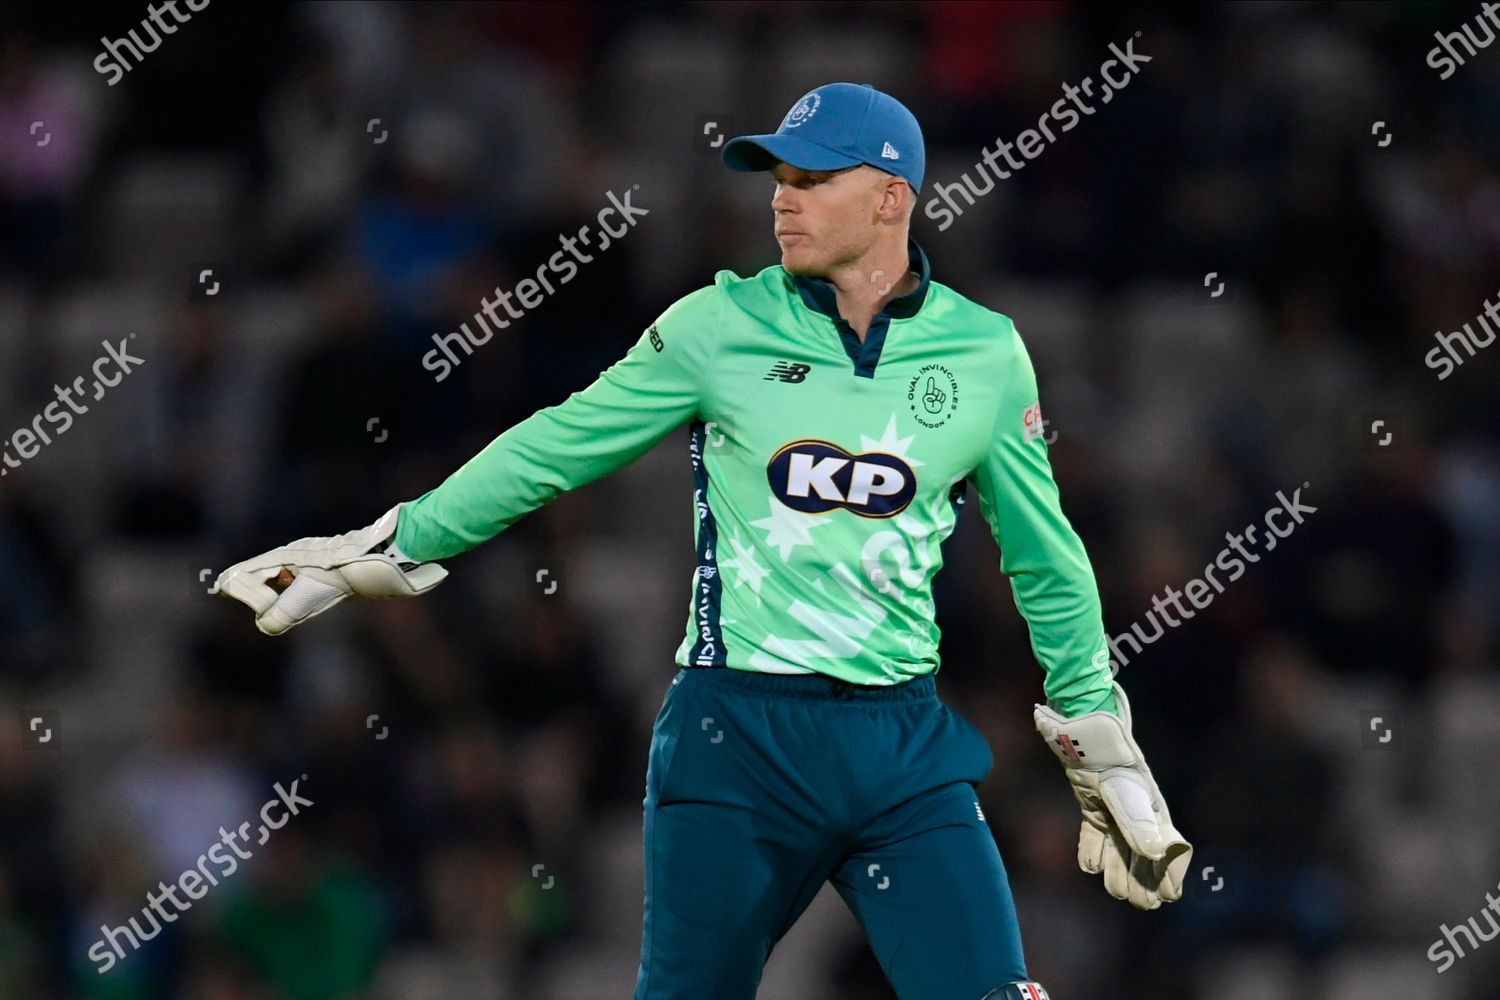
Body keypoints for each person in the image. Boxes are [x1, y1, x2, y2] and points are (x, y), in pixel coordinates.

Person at [216, 81, 1191, 1000]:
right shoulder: (719, 325)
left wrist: (1100, 738)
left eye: (814, 178)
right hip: (737, 740)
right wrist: (390, 545)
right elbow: (559, 443)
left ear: (893, 197)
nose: (784, 200)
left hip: (903, 748)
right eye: (779, 178)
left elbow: (1044, 552)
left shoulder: (984, 352)